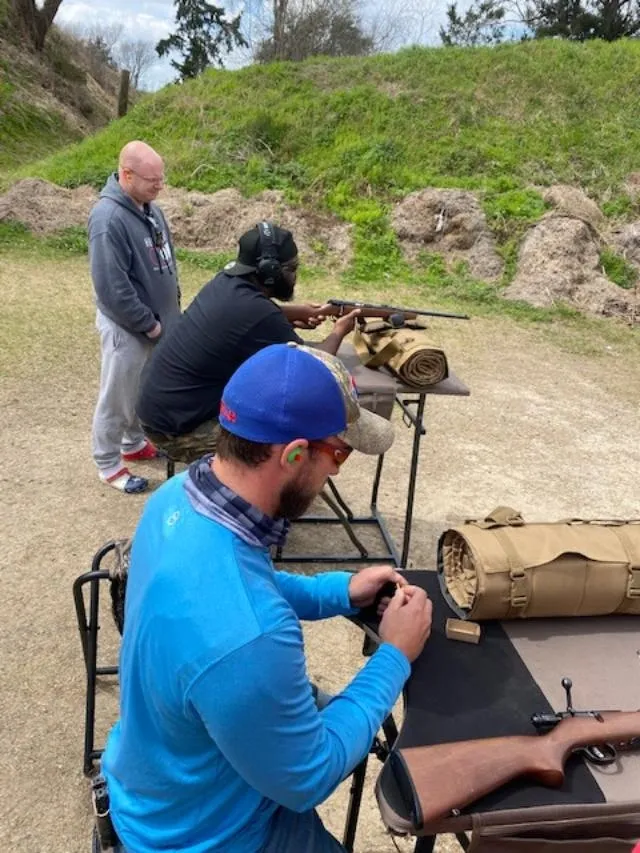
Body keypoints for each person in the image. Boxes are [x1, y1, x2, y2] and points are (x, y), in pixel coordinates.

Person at [102, 342, 433, 853]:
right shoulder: (252, 639)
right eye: (338, 454)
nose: (337, 473)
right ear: (295, 454)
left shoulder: (180, 500)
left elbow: (246, 584)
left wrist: (339, 590)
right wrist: (394, 655)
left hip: (158, 791)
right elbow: (307, 777)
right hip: (210, 836)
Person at [136, 221, 360, 463]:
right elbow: (313, 366)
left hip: (159, 411)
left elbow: (250, 315)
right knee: (285, 442)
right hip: (179, 430)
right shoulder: (258, 314)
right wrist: (339, 331)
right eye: (291, 268)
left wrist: (297, 313)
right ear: (270, 271)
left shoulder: (225, 283)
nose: (295, 276)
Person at [89, 140, 181, 494]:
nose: (159, 186)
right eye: (151, 180)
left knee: (141, 391)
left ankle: (133, 442)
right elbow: (112, 287)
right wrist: (149, 323)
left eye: (161, 179)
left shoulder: (151, 209)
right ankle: (109, 463)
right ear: (126, 175)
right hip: (129, 328)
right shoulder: (107, 218)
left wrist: (171, 311)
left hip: (156, 327)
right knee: (118, 395)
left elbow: (166, 263)